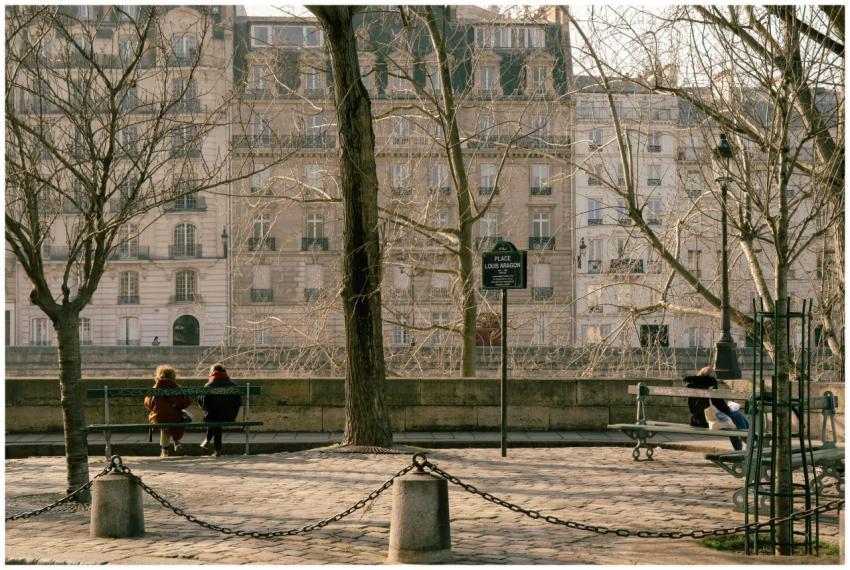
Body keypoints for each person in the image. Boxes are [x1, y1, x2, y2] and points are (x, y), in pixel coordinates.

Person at [683, 366, 745, 451]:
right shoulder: (710, 385)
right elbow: (722, 407)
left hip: (699, 419)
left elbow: (692, 409)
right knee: (733, 418)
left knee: (733, 418)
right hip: (710, 420)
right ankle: (745, 440)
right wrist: (729, 409)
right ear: (712, 376)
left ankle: (745, 438)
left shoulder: (692, 385)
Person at [144, 365, 191, 457]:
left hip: (158, 417)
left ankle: (165, 450)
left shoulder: (155, 387)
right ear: (173, 376)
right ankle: (176, 440)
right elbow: (184, 403)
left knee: (164, 422)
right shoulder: (177, 387)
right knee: (173, 419)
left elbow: (148, 404)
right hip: (175, 417)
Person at [197, 363, 242, 457]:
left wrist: (207, 410)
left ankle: (210, 442)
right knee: (217, 418)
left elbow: (201, 403)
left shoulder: (208, 386)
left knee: (213, 417)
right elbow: (238, 403)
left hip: (212, 416)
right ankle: (215, 448)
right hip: (229, 416)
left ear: (212, 373)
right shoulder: (233, 385)